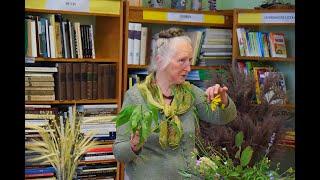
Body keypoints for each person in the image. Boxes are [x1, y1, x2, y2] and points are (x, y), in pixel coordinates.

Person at [113, 27, 237, 180]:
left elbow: (225, 117)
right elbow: (119, 153)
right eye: (181, 61)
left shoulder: (190, 93)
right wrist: (133, 146)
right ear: (160, 61)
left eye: (190, 60)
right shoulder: (136, 97)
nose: (188, 68)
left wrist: (223, 100)